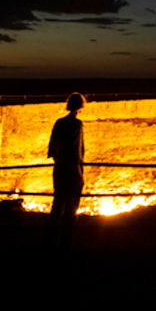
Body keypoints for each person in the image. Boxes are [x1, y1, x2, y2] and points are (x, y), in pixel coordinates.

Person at [48, 92, 86, 248]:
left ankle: (51, 236)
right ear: (81, 106)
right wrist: (78, 169)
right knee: (72, 202)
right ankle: (66, 238)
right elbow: (78, 148)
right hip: (72, 167)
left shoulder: (59, 123)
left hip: (60, 167)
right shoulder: (77, 124)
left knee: (58, 200)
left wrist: (58, 159)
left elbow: (52, 146)